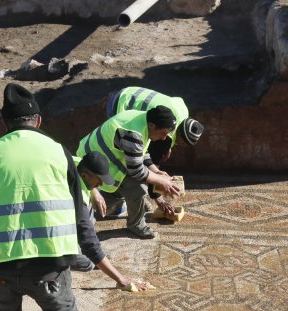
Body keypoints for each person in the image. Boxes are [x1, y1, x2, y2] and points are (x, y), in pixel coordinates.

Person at [0, 84, 106, 311]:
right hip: (49, 265)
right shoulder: (58, 152)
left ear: (4, 123)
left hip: (0, 265)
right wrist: (96, 258)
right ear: (39, 121)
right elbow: (79, 214)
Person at [76, 105, 182, 238]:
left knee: (138, 187)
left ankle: (124, 200)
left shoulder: (143, 120)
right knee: (139, 188)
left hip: (106, 160)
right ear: (152, 126)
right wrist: (161, 181)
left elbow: (141, 152)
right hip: (92, 167)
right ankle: (136, 224)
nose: (164, 138)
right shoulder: (133, 133)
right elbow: (136, 171)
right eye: (164, 133)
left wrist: (155, 171)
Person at [104, 87, 205, 218]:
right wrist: (159, 200)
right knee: (127, 161)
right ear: (178, 134)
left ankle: (135, 199)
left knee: (137, 157)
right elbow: (148, 164)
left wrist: (168, 147)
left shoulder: (181, 116)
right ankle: (116, 204)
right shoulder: (164, 135)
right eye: (183, 142)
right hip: (122, 104)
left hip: (131, 93)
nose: (182, 146)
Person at [67, 152, 149, 291]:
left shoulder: (73, 162)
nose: (101, 183)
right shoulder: (77, 197)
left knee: (89, 213)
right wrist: (121, 279)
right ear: (85, 175)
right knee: (89, 263)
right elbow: (89, 243)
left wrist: (94, 191)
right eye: (99, 179)